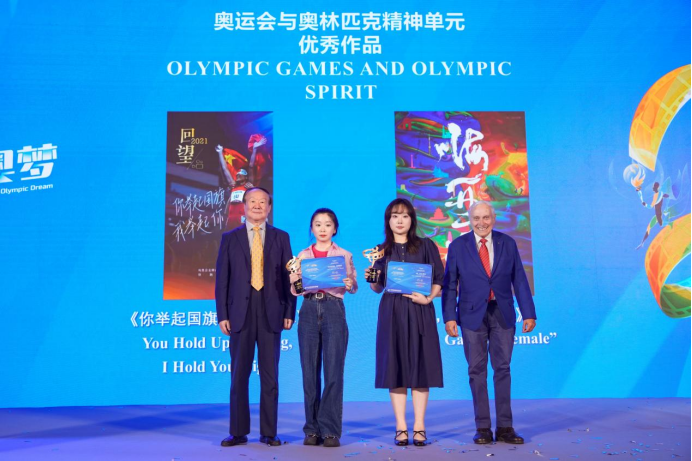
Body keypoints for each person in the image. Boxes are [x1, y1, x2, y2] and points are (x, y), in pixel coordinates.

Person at [442, 201, 536, 445]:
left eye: (486, 217)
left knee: (502, 368)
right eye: (476, 218)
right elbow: (450, 284)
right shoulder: (458, 246)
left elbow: (519, 279)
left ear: (493, 219)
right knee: (476, 370)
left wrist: (528, 312)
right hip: (471, 315)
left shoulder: (508, 243)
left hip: (502, 313)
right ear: (470, 220)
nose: (481, 223)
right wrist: (449, 317)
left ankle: (505, 427)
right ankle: (482, 427)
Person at [215, 187, 296, 447]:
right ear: (244, 205)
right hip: (240, 312)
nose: (258, 206)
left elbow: (290, 276)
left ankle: (269, 432)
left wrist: (289, 310)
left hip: (272, 311)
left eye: (263, 202)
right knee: (239, 375)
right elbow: (222, 280)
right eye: (253, 201)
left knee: (270, 376)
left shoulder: (281, 237)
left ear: (269, 208)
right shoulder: (230, 238)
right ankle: (238, 432)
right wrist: (222, 314)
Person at [366, 198, 444, 447]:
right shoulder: (380, 251)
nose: (399, 220)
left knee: (421, 366)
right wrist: (372, 276)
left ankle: (419, 425)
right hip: (392, 311)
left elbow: (439, 278)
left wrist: (428, 298)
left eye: (405, 215)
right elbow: (377, 288)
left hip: (420, 309)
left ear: (412, 219)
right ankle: (401, 426)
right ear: (388, 221)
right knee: (395, 367)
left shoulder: (426, 245)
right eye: (395, 216)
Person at [289, 208, 357, 448]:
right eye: (318, 224)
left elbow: (353, 286)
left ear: (334, 228)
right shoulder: (302, 256)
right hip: (308, 309)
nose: (323, 228)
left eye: (327, 224)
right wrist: (295, 278)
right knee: (309, 373)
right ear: (312, 228)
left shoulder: (344, 255)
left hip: (333, 309)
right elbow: (296, 290)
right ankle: (312, 429)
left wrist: (349, 283)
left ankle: (330, 430)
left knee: (333, 371)